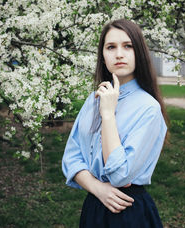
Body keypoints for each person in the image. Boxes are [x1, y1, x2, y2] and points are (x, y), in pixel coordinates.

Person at [62, 19, 168, 228]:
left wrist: (108, 115)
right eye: (111, 47)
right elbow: (71, 158)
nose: (119, 54)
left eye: (127, 46)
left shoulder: (148, 108)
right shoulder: (93, 100)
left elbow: (120, 175)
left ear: (139, 52)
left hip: (127, 211)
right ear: (103, 56)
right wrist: (97, 188)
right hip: (95, 205)